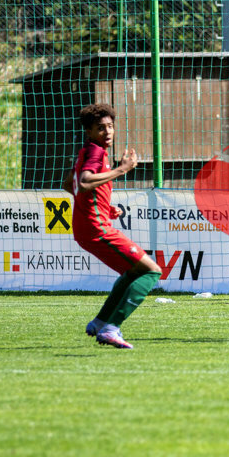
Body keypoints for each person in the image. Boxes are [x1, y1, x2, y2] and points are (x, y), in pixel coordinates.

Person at [63, 103, 162, 349]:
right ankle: (111, 328)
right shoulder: (95, 152)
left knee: (133, 272)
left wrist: (104, 207)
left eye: (110, 126)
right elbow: (84, 183)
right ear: (88, 131)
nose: (107, 132)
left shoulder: (88, 151)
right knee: (151, 271)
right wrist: (122, 169)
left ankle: (99, 323)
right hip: (96, 228)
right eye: (100, 128)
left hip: (90, 225)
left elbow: (69, 185)